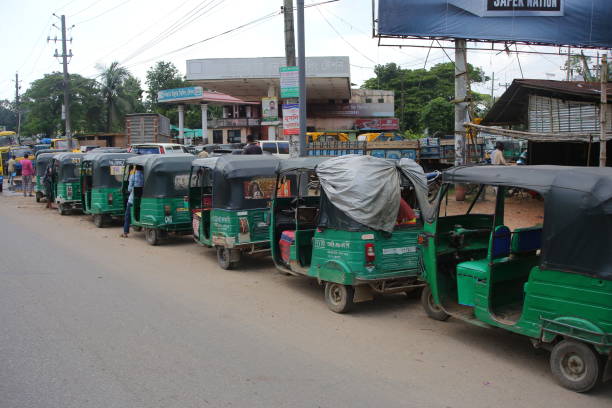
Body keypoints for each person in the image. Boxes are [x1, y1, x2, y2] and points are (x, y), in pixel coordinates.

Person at [121, 166, 144, 238]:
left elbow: (129, 189)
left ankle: (125, 232)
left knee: (127, 215)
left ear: (135, 168)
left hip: (132, 199)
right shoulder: (144, 175)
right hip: (142, 199)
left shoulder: (133, 176)